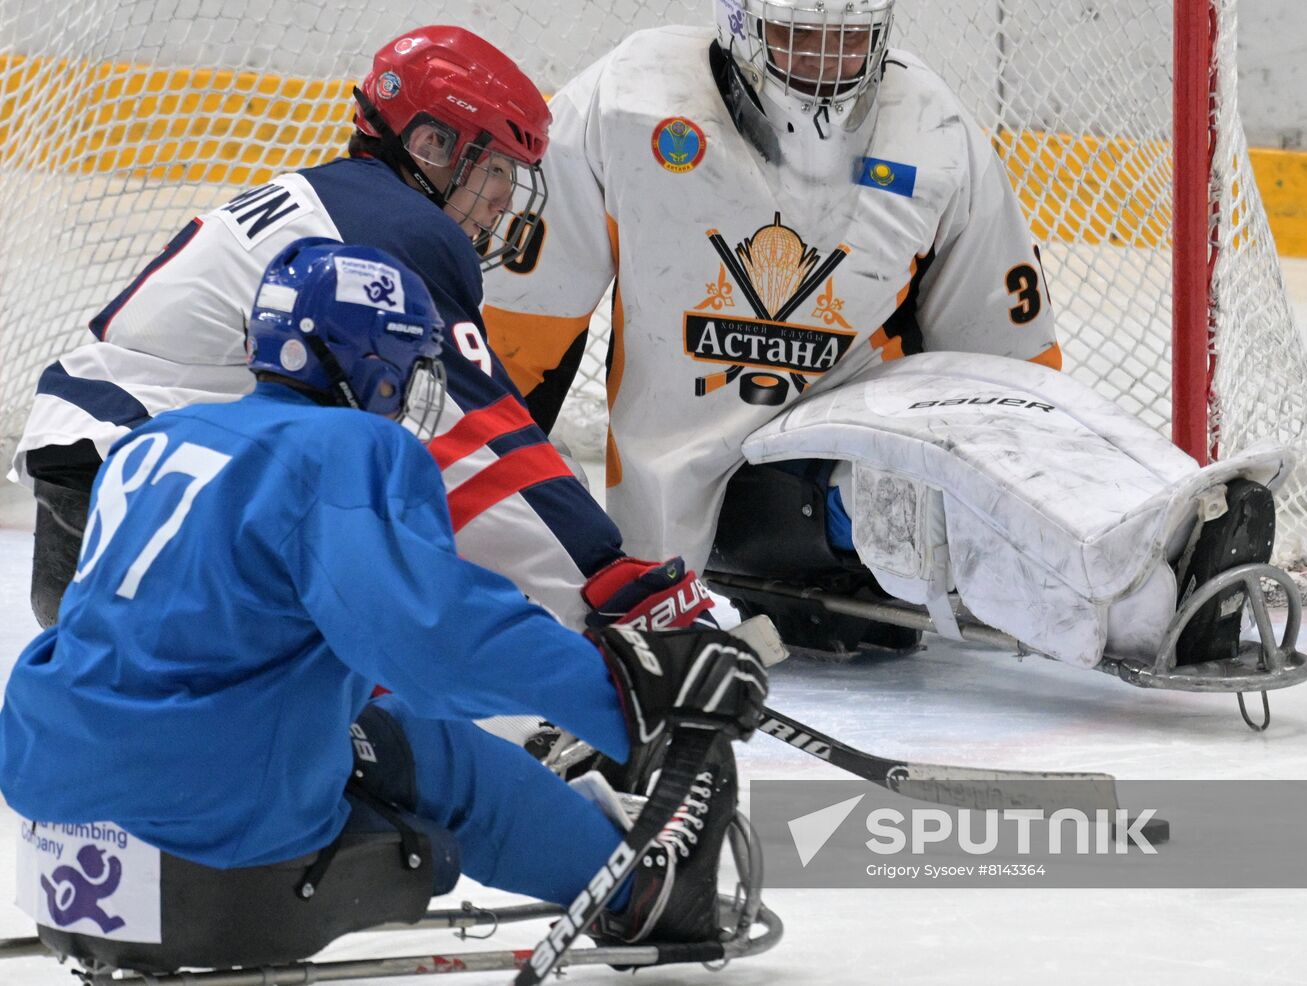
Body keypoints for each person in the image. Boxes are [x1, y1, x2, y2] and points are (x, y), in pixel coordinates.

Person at [0, 241, 768, 964]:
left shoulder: (154, 437)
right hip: (209, 814)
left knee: (361, 716)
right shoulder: (348, 446)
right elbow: (436, 641)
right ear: (372, 362)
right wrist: (633, 700)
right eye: (407, 361)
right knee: (426, 744)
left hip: (51, 781)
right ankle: (642, 891)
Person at [481, 0, 1283, 671]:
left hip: (863, 435)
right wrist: (477, 527)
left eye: (849, 40)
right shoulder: (626, 105)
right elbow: (522, 344)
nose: (826, 65)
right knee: (899, 500)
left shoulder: (934, 132)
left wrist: (1040, 476)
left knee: (949, 478)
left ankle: (1171, 532)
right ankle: (1152, 609)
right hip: (707, 496)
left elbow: (1012, 374)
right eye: (800, 37)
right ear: (739, 23)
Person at [13, 25, 711, 645]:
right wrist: (606, 578)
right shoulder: (398, 231)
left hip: (107, 491)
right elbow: (483, 435)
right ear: (431, 144)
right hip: (150, 514)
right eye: (494, 166)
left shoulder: (337, 200)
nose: (503, 197)